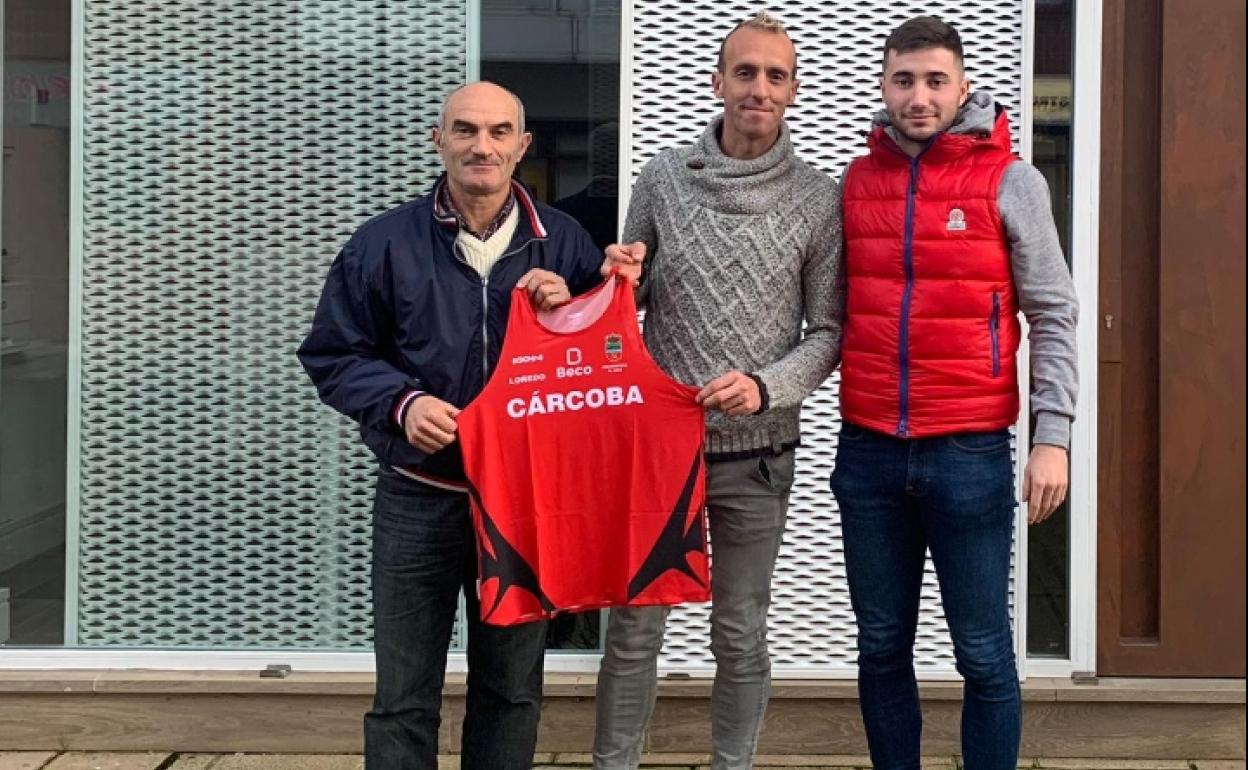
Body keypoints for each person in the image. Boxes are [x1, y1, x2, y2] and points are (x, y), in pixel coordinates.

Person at [297, 81, 611, 770]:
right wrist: (401, 403)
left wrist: (568, 317)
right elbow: (331, 353)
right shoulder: (382, 243)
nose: (482, 146)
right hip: (418, 498)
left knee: (511, 691)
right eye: (465, 131)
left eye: (499, 132)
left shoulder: (563, 244)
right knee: (405, 694)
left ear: (522, 146)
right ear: (438, 141)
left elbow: (600, 377)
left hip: (524, 507)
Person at [592, 12, 843, 770]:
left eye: (775, 75)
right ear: (718, 81)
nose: (758, 87)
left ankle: (733, 765)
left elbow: (830, 330)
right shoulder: (664, 178)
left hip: (758, 455)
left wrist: (766, 387)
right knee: (635, 624)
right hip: (659, 449)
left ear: (793, 90)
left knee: (739, 628)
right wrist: (614, 282)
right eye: (745, 72)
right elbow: (622, 304)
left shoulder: (819, 198)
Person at [831, 16, 1078, 769]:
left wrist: (1052, 436)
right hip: (869, 450)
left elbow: (1054, 310)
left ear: (963, 85)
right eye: (903, 79)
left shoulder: (1011, 179)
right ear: (883, 84)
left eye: (936, 80)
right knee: (880, 648)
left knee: (982, 652)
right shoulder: (857, 179)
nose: (919, 95)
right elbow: (828, 305)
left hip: (968, 451)